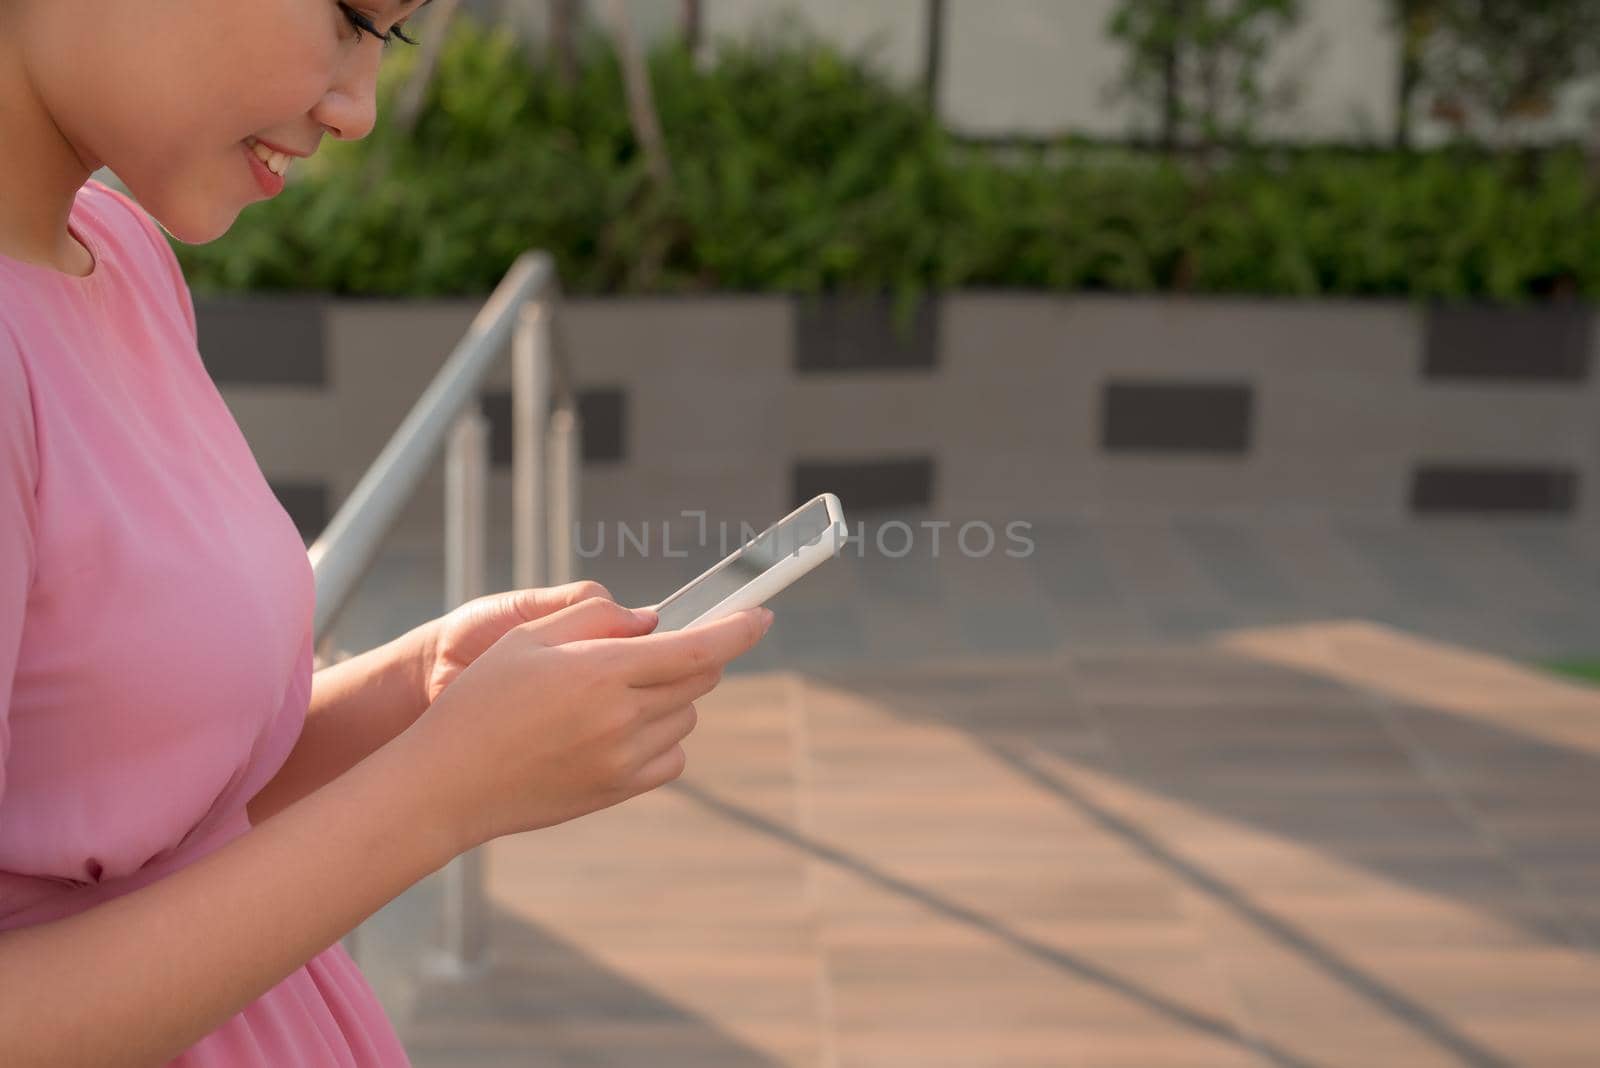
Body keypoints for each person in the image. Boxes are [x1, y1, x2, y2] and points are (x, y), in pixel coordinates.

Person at [0, 2, 773, 1064]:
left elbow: (130, 808)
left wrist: (418, 693)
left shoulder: (116, 252)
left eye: (390, 37)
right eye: (351, 16)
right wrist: (438, 796)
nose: (357, 108)